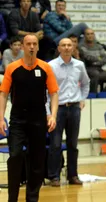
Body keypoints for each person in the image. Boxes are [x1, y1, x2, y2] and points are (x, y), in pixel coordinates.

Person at [0, 34, 58, 202]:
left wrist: (53, 116)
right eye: (28, 44)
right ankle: (12, 198)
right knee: (15, 155)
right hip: (18, 118)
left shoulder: (46, 68)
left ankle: (32, 198)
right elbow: (3, 94)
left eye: (34, 44)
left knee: (37, 160)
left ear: (38, 47)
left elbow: (54, 94)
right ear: (23, 47)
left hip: (39, 119)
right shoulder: (12, 68)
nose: (31, 47)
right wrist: (0, 118)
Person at [47, 37, 89, 186]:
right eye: (63, 45)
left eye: (69, 45)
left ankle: (73, 176)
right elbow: (46, 91)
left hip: (74, 108)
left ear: (73, 48)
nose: (66, 48)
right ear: (58, 48)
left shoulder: (79, 65)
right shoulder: (50, 66)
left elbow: (86, 83)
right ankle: (54, 176)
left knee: (73, 144)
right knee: (55, 144)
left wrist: (82, 98)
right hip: (57, 110)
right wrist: (49, 112)